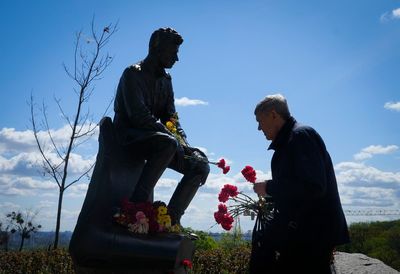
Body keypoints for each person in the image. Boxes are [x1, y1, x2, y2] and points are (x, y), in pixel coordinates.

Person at [113, 27, 210, 225]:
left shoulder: (166, 81)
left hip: (159, 140)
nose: (177, 59)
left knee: (200, 165)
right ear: (157, 49)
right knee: (167, 144)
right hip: (129, 138)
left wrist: (185, 146)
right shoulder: (132, 74)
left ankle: (170, 221)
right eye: (173, 53)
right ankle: (134, 209)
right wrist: (173, 139)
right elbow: (138, 116)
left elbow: (172, 118)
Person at [250, 94, 349, 273]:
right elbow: (298, 190)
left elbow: (314, 187)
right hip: (306, 232)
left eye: (259, 121)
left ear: (273, 115)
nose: (258, 128)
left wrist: (269, 187)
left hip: (312, 235)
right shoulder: (292, 138)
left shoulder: (301, 136)